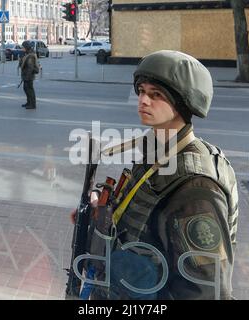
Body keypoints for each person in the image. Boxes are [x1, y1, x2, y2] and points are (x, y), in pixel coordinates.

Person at [72, 50, 239, 300]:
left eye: (156, 95)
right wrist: (101, 213)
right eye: (141, 91)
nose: (143, 101)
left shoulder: (196, 185)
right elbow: (141, 222)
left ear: (183, 102)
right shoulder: (158, 152)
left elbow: (207, 291)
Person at [18, 40, 39, 110]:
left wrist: (26, 77)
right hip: (26, 75)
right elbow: (22, 64)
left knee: (29, 89)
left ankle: (32, 104)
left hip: (29, 76)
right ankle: (29, 102)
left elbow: (30, 67)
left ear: (26, 47)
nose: (22, 48)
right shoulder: (27, 54)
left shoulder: (30, 56)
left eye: (23, 47)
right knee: (26, 89)